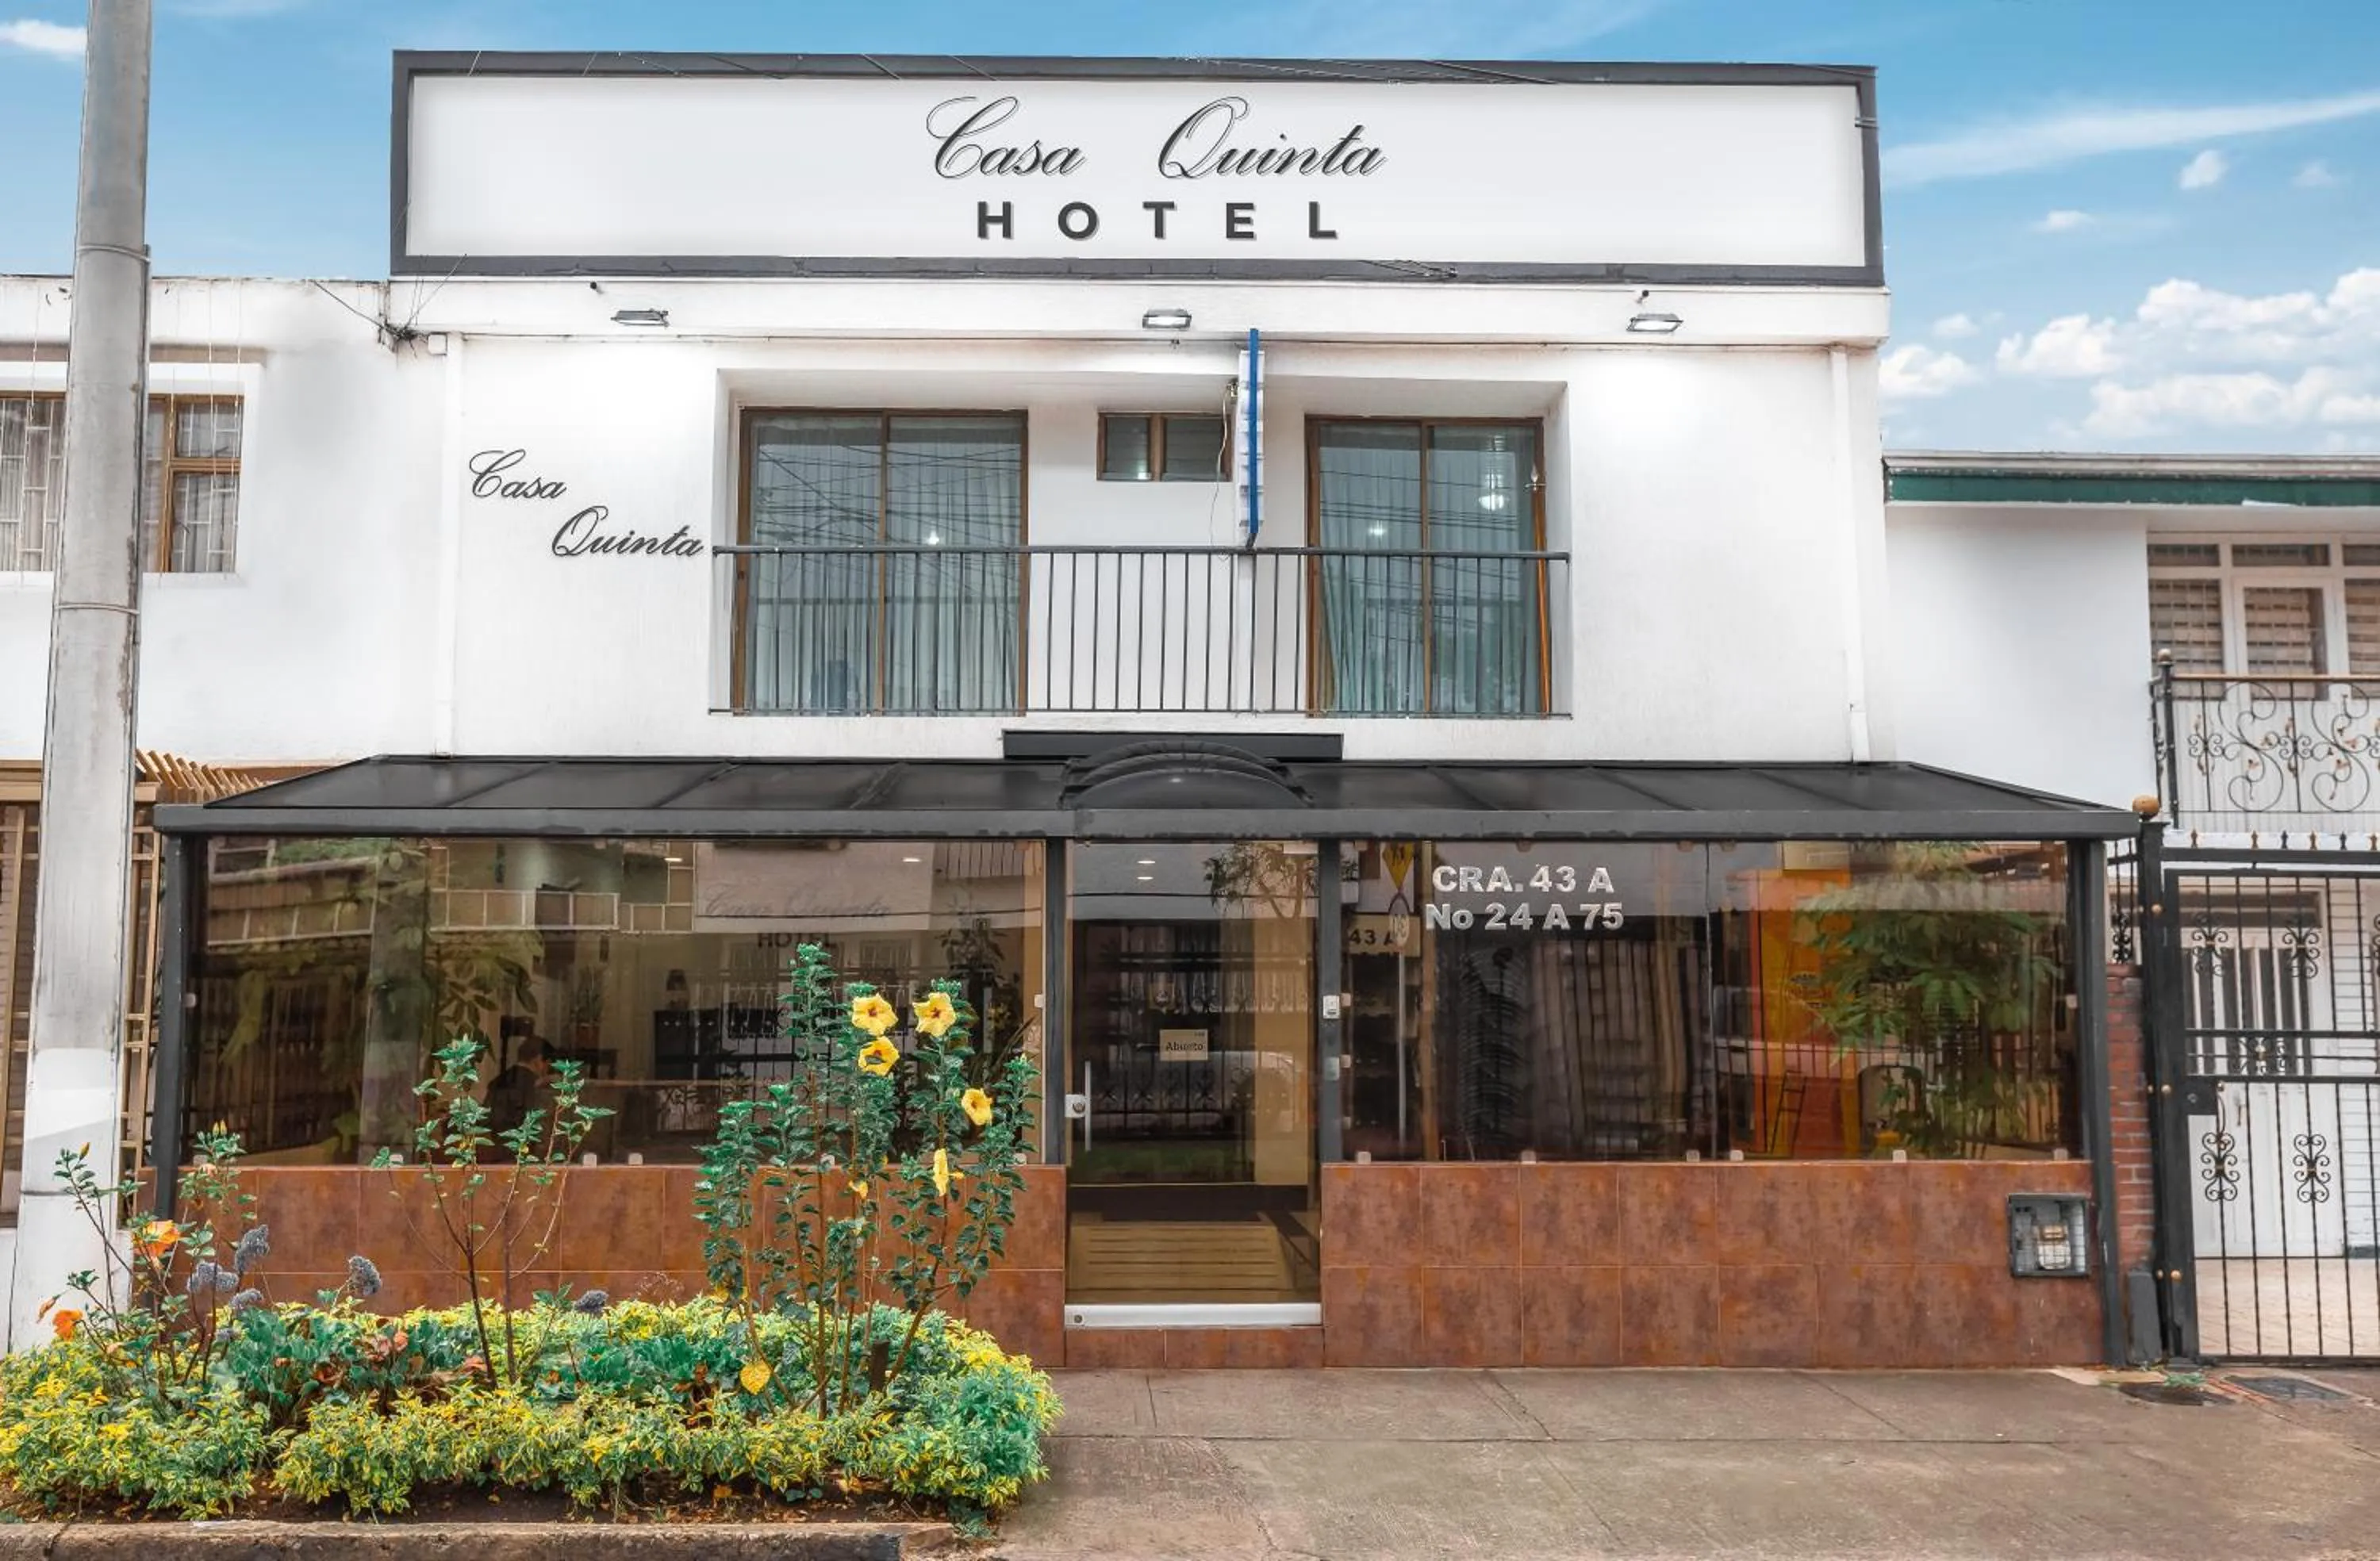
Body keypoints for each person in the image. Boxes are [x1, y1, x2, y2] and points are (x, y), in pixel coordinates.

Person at [487, 1035, 551, 1133]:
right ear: (538, 1059)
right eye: (547, 1064)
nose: (547, 1070)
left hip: (494, 1141)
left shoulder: (497, 1081)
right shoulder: (534, 1085)